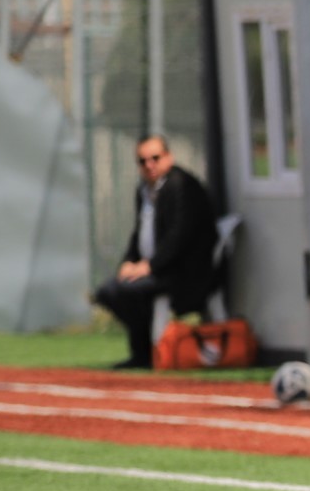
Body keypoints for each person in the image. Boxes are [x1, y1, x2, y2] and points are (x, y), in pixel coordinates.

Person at [92, 136, 218, 369]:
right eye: (142, 161)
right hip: (154, 270)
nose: (149, 165)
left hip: (183, 273)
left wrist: (150, 266)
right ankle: (143, 352)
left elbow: (180, 236)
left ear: (168, 157)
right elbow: (138, 233)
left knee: (128, 290)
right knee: (109, 291)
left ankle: (151, 352)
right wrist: (129, 262)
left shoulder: (182, 185)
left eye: (155, 158)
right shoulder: (145, 191)